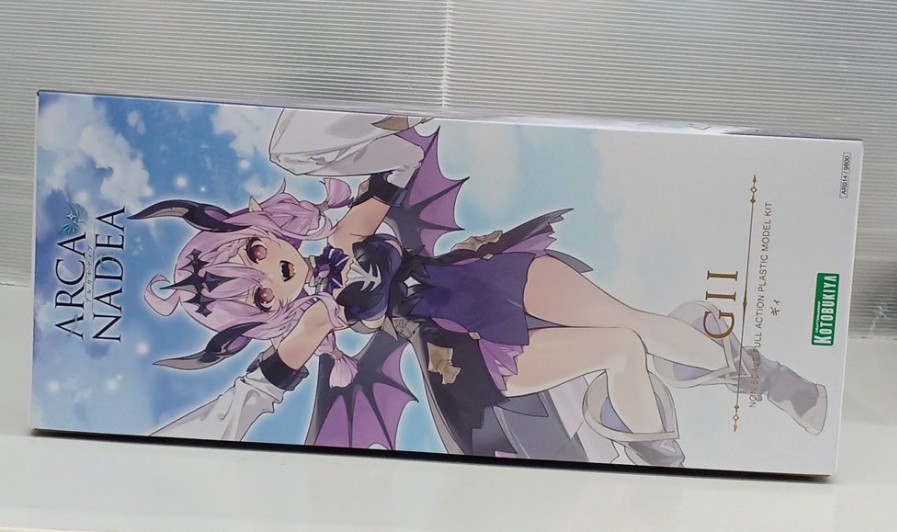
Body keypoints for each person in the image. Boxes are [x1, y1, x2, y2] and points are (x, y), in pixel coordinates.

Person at [134, 110, 826, 467]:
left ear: (257, 229)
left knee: (634, 323)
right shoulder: (316, 321)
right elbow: (248, 398)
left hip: (485, 274)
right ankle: (665, 472)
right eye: (257, 297)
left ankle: (767, 379)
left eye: (254, 253)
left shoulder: (345, 229)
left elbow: (400, 156)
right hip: (463, 351)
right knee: (620, 348)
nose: (272, 274)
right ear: (262, 318)